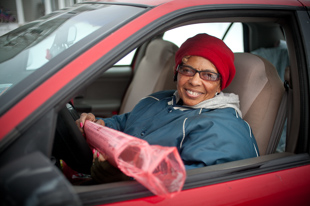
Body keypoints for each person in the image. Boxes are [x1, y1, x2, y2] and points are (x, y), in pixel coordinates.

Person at [76, 33, 259, 183]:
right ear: (177, 72)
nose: (195, 81)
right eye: (187, 70)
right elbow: (124, 123)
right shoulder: (157, 100)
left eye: (208, 75)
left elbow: (199, 186)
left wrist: (125, 177)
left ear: (220, 85)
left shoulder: (224, 128)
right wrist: (98, 125)